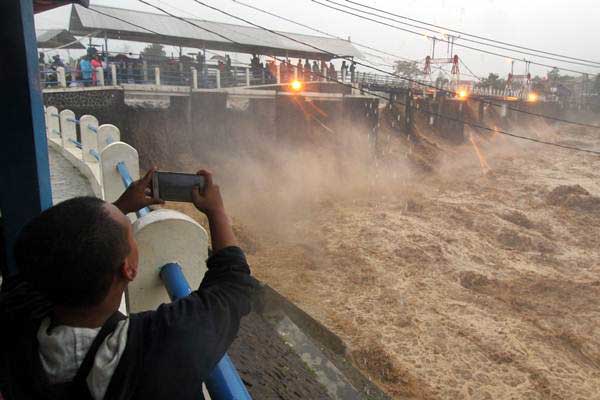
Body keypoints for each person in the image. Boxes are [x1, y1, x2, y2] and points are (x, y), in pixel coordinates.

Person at [0, 169, 257, 399]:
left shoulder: (17, 313)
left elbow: (49, 252)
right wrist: (216, 210)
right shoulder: (162, 344)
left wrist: (120, 206)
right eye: (130, 236)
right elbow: (233, 283)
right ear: (129, 269)